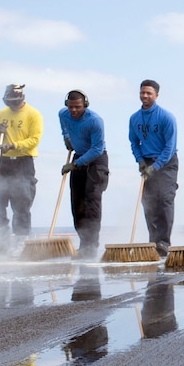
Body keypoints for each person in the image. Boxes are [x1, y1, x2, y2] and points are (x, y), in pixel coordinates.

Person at [129, 79, 179, 257]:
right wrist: (140, 161)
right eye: (142, 92)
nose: (145, 96)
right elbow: (134, 142)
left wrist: (156, 166)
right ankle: (153, 241)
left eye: (149, 93)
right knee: (149, 202)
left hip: (166, 163)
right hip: (147, 161)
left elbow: (170, 146)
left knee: (165, 199)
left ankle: (164, 242)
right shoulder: (134, 118)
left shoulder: (166, 117)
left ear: (156, 95)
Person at [0, 84, 43, 245]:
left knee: (21, 202)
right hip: (3, 161)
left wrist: (13, 145)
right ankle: (2, 237)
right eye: (9, 102)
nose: (12, 105)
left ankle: (21, 240)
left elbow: (34, 140)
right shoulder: (2, 114)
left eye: (14, 102)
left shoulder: (33, 114)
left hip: (23, 161)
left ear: (22, 98)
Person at [59, 90, 110, 257]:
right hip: (78, 156)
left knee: (92, 199)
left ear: (85, 105)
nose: (73, 111)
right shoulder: (63, 114)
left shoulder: (95, 121)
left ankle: (92, 245)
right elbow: (64, 125)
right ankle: (84, 242)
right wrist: (67, 137)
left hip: (97, 160)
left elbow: (97, 149)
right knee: (77, 202)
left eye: (78, 107)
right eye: (71, 107)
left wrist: (75, 164)